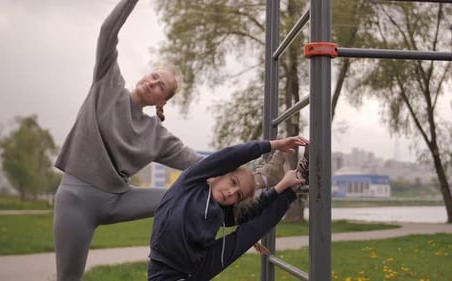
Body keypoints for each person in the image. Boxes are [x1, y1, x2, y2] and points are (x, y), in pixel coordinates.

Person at [52, 1, 290, 280]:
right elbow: (107, 31)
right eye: (153, 77)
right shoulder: (107, 84)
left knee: (187, 198)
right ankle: (259, 182)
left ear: (160, 100)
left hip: (117, 199)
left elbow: (205, 167)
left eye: (160, 86)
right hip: (76, 199)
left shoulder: (156, 135)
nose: (152, 83)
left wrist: (243, 189)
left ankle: (260, 181)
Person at [148, 136, 310, 281]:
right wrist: (274, 145)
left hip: (195, 267)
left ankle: (293, 182)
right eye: (232, 182)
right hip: (165, 266)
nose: (231, 192)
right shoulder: (191, 182)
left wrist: (282, 187)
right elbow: (230, 156)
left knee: (250, 231)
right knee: (247, 227)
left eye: (238, 195)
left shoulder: (220, 212)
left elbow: (253, 210)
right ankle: (267, 177)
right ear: (220, 173)